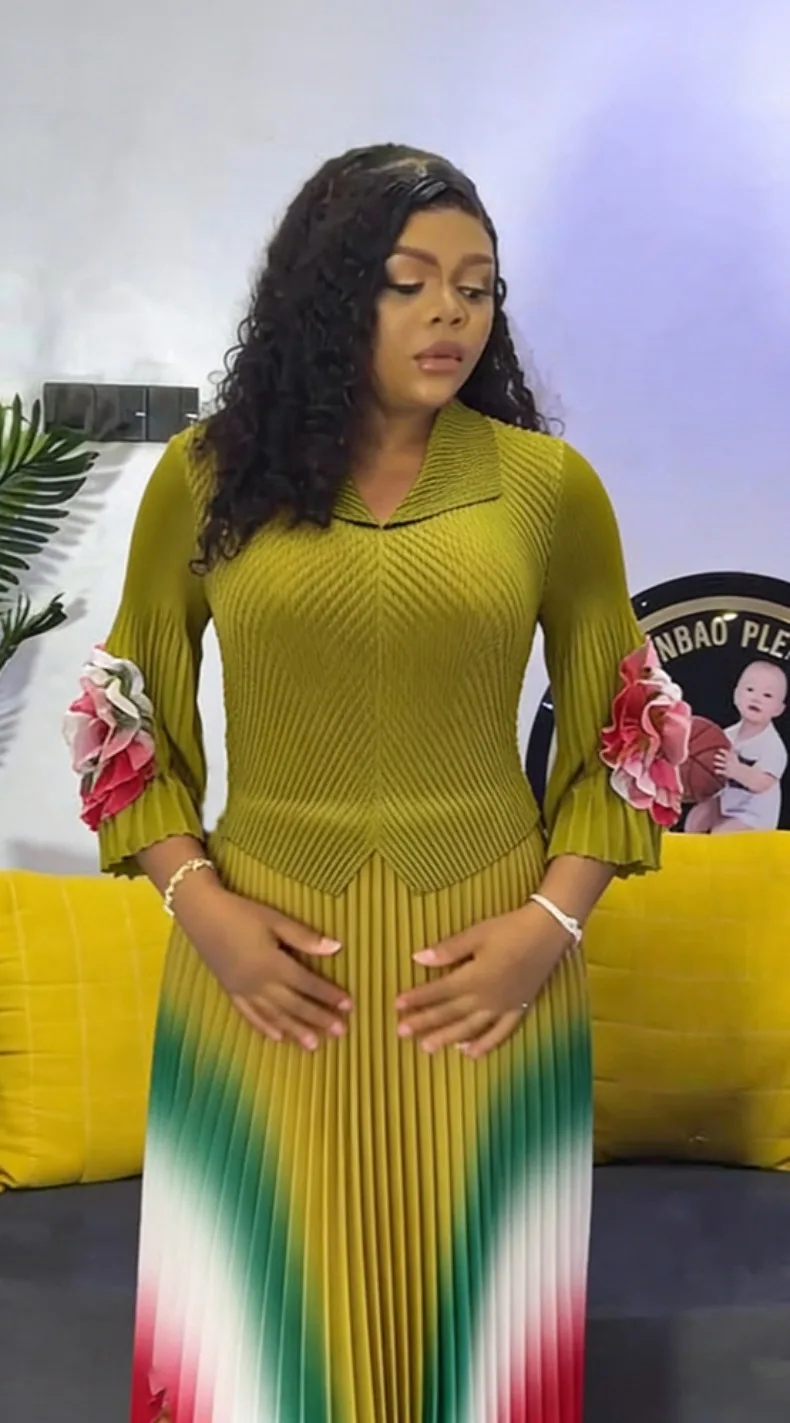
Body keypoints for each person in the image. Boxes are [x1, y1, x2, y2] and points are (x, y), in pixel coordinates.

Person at [64, 144, 666, 1423]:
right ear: (333, 294)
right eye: (411, 281)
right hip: (257, 974)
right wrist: (202, 913)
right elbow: (126, 725)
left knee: (481, 1350)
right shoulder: (207, 477)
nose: (452, 313)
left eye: (477, 287)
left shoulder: (548, 489)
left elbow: (628, 738)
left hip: (494, 979)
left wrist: (548, 928)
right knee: (256, 1348)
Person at [686, 660, 788, 834]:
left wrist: (736, 770)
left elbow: (763, 783)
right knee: (695, 819)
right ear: (736, 696)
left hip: (754, 817)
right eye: (750, 690)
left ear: (778, 709)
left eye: (767, 695)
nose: (756, 698)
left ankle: (712, 849)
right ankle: (688, 848)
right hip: (726, 803)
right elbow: (712, 767)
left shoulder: (772, 745)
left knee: (720, 833)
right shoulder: (727, 735)